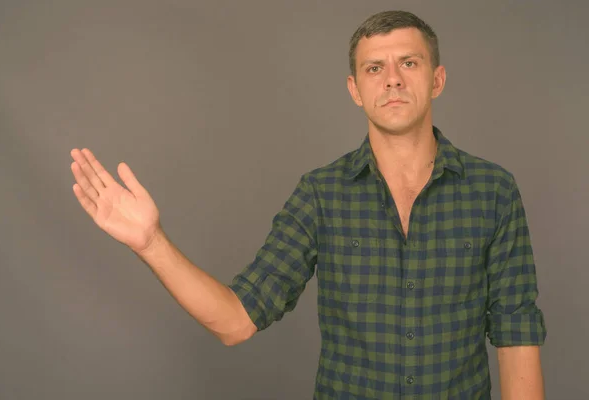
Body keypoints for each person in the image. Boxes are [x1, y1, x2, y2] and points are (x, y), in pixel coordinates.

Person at [70, 10, 546, 400]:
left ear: (437, 79)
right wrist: (151, 243)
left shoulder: (493, 190)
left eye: (410, 63)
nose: (393, 80)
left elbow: (517, 338)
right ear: (355, 89)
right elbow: (236, 320)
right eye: (375, 68)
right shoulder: (321, 194)